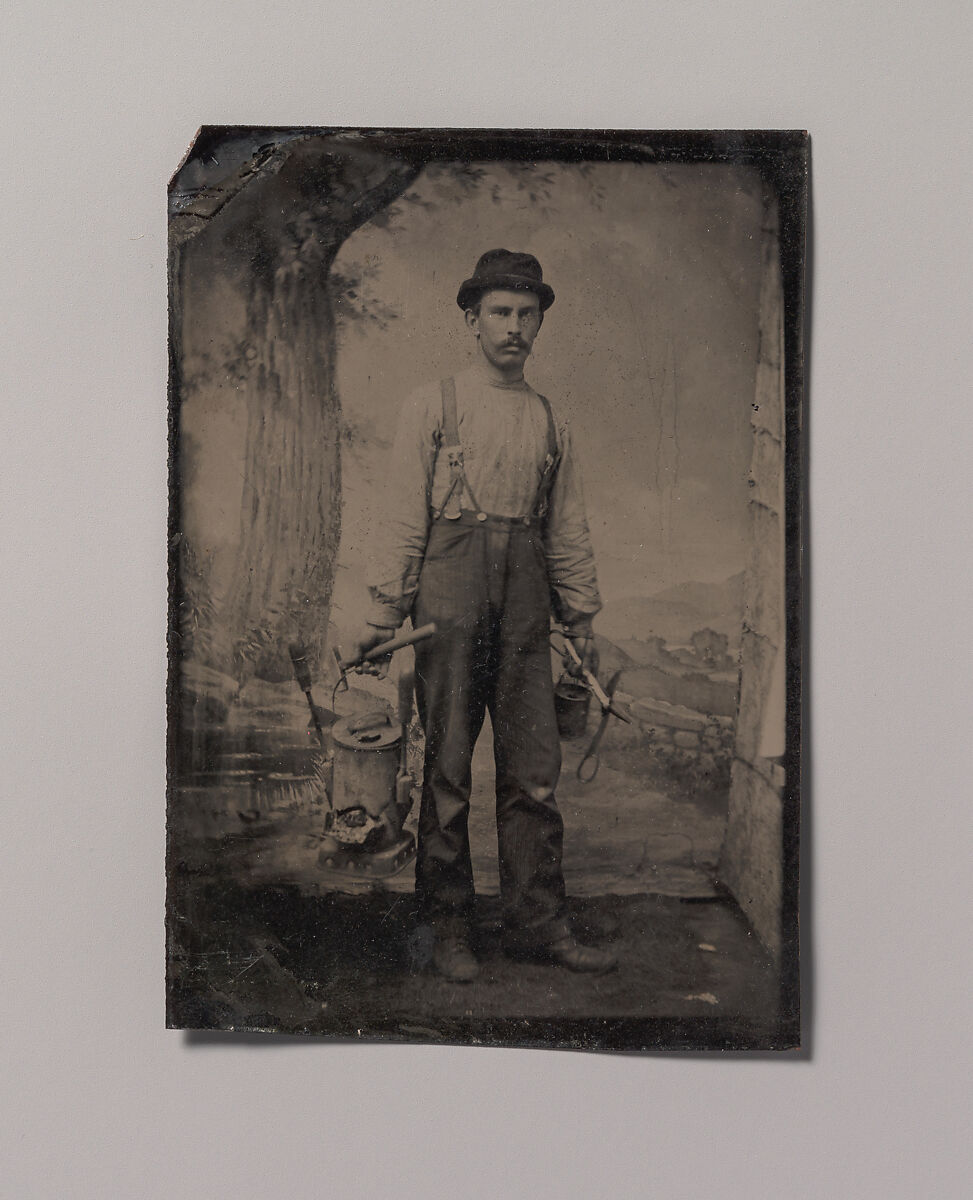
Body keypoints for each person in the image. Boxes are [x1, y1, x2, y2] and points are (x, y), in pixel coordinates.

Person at [350, 249, 617, 982]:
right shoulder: (432, 405)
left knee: (533, 774)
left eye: (527, 314)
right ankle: (447, 926)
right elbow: (404, 513)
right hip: (449, 596)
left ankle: (538, 923)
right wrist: (381, 609)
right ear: (471, 320)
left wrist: (582, 618)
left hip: (529, 602)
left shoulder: (550, 420)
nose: (514, 327)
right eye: (499, 312)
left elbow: (565, 527)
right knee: (447, 770)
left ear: (539, 323)